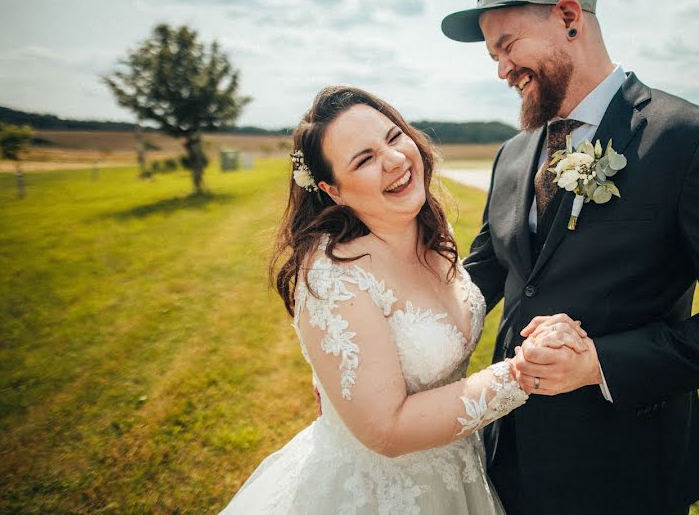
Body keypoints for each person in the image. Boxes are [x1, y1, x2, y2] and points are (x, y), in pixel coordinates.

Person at [441, 0, 699, 514]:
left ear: (569, 17)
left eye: (508, 45)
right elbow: (483, 274)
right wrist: (394, 349)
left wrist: (599, 363)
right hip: (508, 454)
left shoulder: (691, 141)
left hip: (626, 472)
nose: (501, 70)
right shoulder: (512, 154)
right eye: (493, 55)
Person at [219, 86, 586, 514]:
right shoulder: (330, 275)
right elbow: (386, 430)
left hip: (460, 468)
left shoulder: (431, 228)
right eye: (364, 159)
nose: (393, 160)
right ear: (332, 189)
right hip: (381, 493)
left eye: (393, 138)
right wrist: (523, 373)